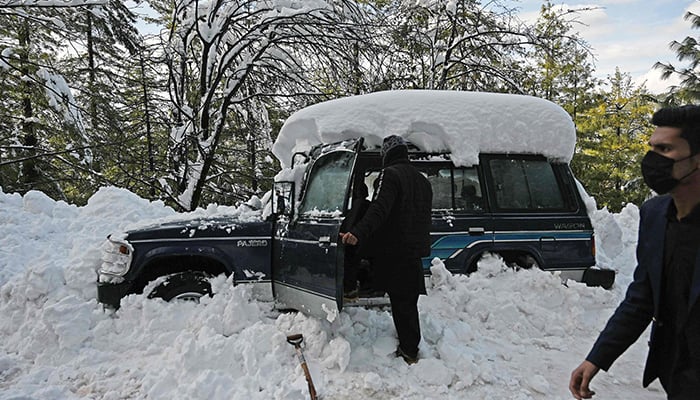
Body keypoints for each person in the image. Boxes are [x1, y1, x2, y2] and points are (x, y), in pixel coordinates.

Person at [569, 105, 700, 400]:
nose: (653, 160)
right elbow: (643, 297)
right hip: (676, 376)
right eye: (652, 148)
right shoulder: (654, 216)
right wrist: (597, 358)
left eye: (665, 149)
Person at [339, 135, 433, 365]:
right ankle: (410, 348)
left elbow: (379, 209)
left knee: (400, 298)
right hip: (413, 250)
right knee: (407, 302)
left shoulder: (389, 175)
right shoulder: (423, 180)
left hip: (394, 249)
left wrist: (358, 233)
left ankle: (351, 287)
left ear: (387, 155)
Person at [340, 181, 371, 300]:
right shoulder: (368, 205)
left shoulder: (359, 205)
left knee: (348, 257)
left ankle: (349, 289)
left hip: (355, 241)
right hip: (365, 240)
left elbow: (350, 225)